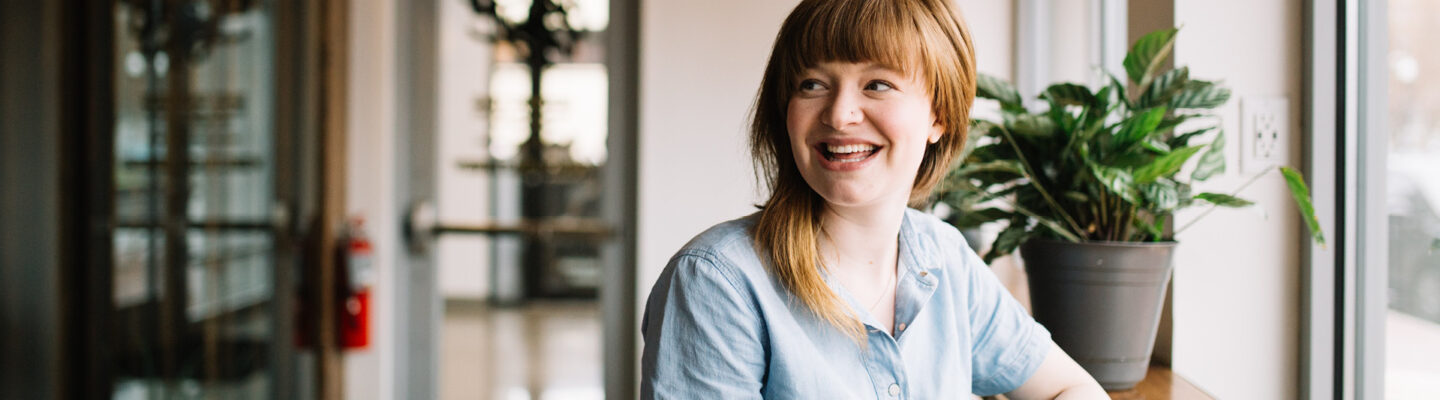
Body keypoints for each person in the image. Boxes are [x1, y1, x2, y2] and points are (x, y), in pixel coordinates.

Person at [640, 0, 1108, 398]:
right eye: (812, 84)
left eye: (877, 84)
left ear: (939, 115)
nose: (840, 116)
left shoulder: (945, 258)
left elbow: (1072, 388)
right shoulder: (717, 281)